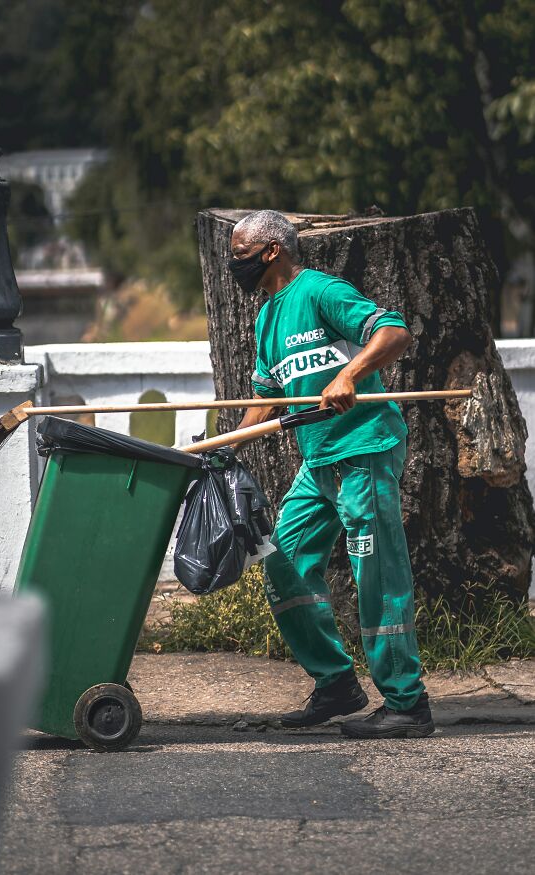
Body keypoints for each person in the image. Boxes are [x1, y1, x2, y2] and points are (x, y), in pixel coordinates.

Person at [229, 209, 434, 738]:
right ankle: (337, 683)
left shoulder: (321, 291)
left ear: (273, 250)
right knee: (285, 566)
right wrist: (224, 445)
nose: (235, 263)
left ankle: (407, 703)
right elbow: (268, 398)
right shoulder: (267, 317)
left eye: (241, 254)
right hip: (318, 463)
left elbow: (394, 332)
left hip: (362, 451)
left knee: (377, 575)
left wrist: (349, 374)